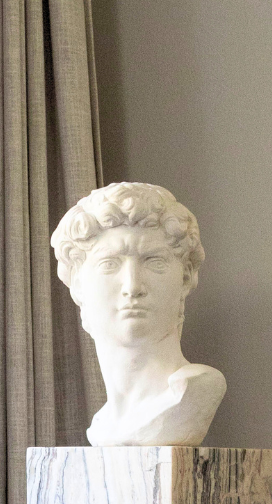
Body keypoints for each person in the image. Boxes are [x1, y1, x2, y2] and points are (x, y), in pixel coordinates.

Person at [51, 181, 227, 446]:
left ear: (186, 278)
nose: (133, 286)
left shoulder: (193, 390)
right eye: (109, 264)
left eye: (154, 262)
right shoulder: (103, 426)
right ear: (76, 283)